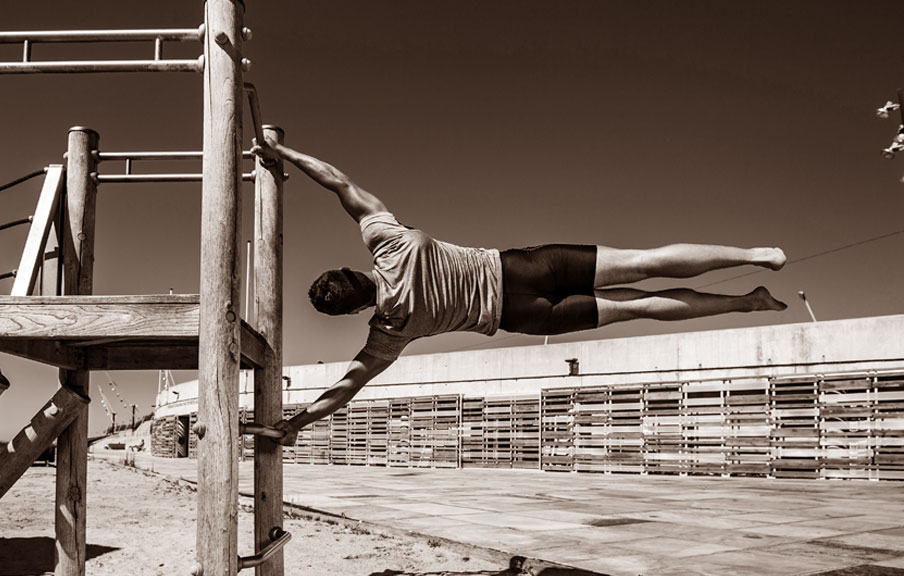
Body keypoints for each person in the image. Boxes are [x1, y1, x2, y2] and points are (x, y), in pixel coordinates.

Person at [251, 140, 787, 446]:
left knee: (640, 307)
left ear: (353, 309)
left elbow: (346, 388)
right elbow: (341, 184)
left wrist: (295, 423)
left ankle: (747, 301)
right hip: (528, 267)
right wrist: (283, 151)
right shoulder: (390, 244)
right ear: (353, 270)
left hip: (526, 315)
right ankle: (754, 254)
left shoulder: (389, 329)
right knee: (644, 263)